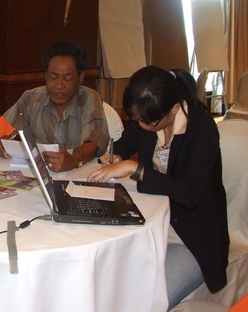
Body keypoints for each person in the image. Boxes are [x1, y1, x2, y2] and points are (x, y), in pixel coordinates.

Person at [88, 65, 229, 310]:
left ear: (174, 109)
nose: (141, 126)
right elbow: (122, 145)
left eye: (148, 122)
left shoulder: (202, 129)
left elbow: (190, 193)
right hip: (151, 227)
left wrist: (136, 169)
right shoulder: (149, 116)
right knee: (106, 286)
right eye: (136, 119)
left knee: (144, 303)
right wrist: (113, 157)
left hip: (190, 238)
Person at [0, 41, 110, 172]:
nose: (59, 85)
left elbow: (93, 142)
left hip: (76, 174)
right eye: (53, 77)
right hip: (38, 174)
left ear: (80, 78)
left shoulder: (89, 98)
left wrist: (73, 160)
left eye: (67, 79)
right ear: (45, 75)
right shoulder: (31, 98)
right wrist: (2, 142)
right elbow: (4, 128)